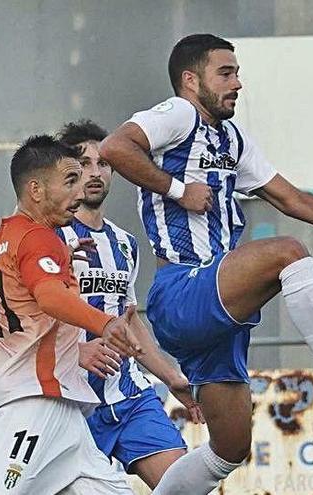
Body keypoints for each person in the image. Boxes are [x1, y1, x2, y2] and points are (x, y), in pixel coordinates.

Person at [99, 33, 313, 493]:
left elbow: (287, 196)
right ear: (190, 80)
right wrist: (177, 189)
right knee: (288, 252)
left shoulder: (231, 139)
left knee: (229, 449)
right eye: (225, 73)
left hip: (218, 310)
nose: (237, 83)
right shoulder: (180, 113)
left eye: (238, 73)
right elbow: (115, 148)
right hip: (184, 291)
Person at [0, 134, 141, 494]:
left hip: (66, 413)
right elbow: (48, 297)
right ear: (36, 190)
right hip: (32, 405)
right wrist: (104, 323)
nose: (80, 192)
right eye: (70, 180)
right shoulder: (39, 238)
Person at [55, 119, 204, 489]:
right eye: (82, 164)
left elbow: (130, 321)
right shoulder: (48, 238)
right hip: (71, 404)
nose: (94, 172)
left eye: (102, 163)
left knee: (185, 486)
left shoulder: (124, 243)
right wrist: (75, 349)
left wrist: (171, 377)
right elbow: (25, 315)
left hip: (129, 396)